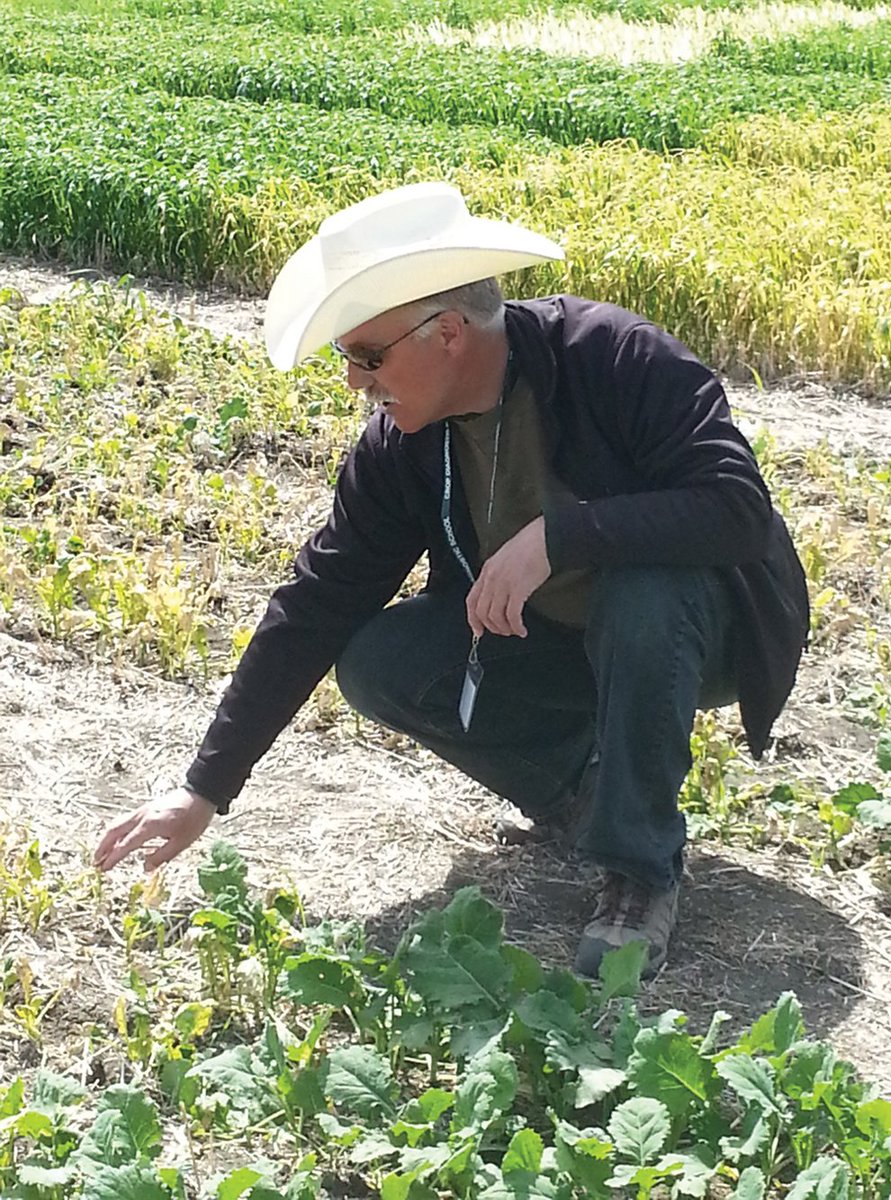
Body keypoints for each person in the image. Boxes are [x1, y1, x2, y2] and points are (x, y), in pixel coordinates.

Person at [94, 182, 809, 975]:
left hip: (697, 637)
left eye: (368, 357)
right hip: (556, 643)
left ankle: (639, 871)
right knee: (377, 663)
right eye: (349, 360)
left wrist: (561, 536)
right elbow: (319, 600)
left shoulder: (610, 356)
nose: (357, 382)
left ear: (447, 334)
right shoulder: (400, 444)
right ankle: (589, 798)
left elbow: (736, 510)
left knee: (643, 589)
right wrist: (204, 789)